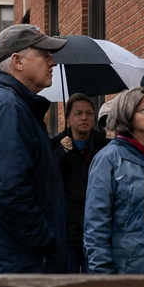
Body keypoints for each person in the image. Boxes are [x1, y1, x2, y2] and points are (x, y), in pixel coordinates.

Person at [0, 24, 68, 273]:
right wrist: (45, 243)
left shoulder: (10, 104)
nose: (52, 62)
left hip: (10, 260)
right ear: (18, 61)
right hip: (14, 265)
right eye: (44, 54)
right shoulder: (6, 107)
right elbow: (8, 191)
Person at [84, 87, 144, 274]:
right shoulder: (109, 159)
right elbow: (96, 226)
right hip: (128, 272)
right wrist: (103, 276)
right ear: (127, 118)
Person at [52, 93, 106, 272]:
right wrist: (62, 153)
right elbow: (49, 177)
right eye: (78, 113)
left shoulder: (104, 146)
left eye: (89, 113)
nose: (84, 117)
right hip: (67, 231)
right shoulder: (55, 146)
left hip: (97, 230)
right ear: (68, 119)